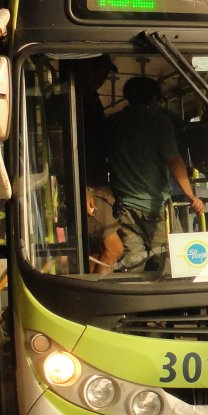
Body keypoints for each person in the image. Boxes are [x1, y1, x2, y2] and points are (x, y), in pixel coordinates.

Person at [106, 76, 205, 270]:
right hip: (155, 207)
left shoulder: (113, 122)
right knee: (172, 261)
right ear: (154, 98)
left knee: (133, 262)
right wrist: (191, 196)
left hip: (124, 206)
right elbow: (174, 161)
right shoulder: (159, 122)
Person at [75, 55, 124, 273]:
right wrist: (81, 189)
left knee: (96, 252)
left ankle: (88, 297)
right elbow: (64, 148)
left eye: (105, 72)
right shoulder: (70, 99)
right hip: (88, 187)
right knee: (114, 249)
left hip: (98, 183)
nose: (101, 77)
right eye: (97, 70)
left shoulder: (92, 99)